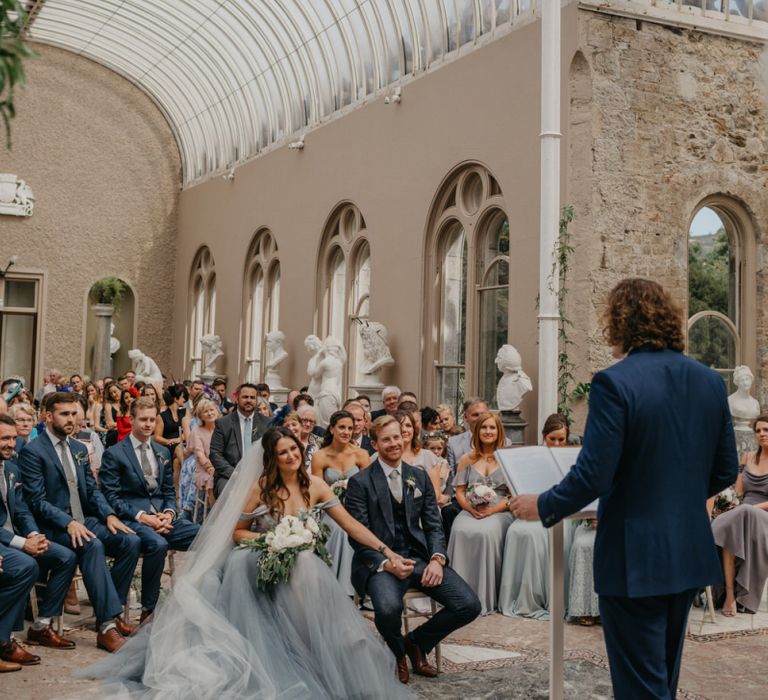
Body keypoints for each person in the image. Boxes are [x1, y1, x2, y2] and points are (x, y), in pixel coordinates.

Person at [510, 278, 738, 700]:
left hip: (635, 556)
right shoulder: (709, 382)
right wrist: (677, 494)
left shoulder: (614, 383)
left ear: (620, 323)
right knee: (662, 678)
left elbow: (593, 475)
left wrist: (541, 504)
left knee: (640, 687)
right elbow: (726, 468)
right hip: (687, 550)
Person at [81, 427, 412, 698]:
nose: (291, 456)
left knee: (308, 567)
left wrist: (387, 551)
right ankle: (285, 652)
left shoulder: (316, 486)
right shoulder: (262, 487)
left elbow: (351, 525)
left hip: (298, 561)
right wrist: (274, 540)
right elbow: (238, 533)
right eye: (283, 452)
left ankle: (315, 649)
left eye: (294, 450)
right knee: (298, 567)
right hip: (258, 557)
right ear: (273, 458)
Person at [346, 415, 481, 683]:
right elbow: (357, 536)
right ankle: (397, 652)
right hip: (380, 565)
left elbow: (433, 525)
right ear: (374, 443)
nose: (394, 443)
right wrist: (386, 563)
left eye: (397, 437)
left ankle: (416, 643)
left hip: (419, 558)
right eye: (386, 439)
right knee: (386, 610)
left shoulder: (418, 477)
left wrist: (437, 558)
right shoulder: (360, 483)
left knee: (468, 605)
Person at [19, 392, 140, 652]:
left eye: (74, 413)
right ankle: (107, 626)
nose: (71, 419)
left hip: (86, 520)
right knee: (92, 545)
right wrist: (67, 522)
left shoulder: (78, 448)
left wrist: (108, 515)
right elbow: (37, 501)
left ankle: (111, 613)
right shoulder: (33, 452)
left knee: (130, 541)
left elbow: (92, 490)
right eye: (64, 414)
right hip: (55, 526)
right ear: (48, 416)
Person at [99, 398, 200, 624]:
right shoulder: (115, 453)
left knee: (206, 534)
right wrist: (143, 517)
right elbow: (111, 497)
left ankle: (198, 599)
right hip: (133, 520)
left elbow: (169, 491)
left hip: (163, 519)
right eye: (143, 419)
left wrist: (169, 514)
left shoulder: (162, 451)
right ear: (131, 419)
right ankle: (149, 609)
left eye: (152, 419)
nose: (148, 424)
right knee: (158, 544)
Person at [0, 415, 78, 663]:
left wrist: (34, 535)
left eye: (13, 438)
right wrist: (23, 544)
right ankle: (4, 641)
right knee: (26, 566)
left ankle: (41, 626)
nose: (11, 444)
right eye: (4, 438)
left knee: (65, 556)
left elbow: (21, 509)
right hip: (6, 540)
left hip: (16, 537)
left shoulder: (11, 467)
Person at [498, 413, 574, 620]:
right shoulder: (533, 457)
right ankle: (517, 597)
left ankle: (550, 596)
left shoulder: (572, 459)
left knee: (540, 534)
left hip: (564, 513)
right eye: (552, 439)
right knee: (517, 531)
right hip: (534, 508)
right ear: (543, 436)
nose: (557, 444)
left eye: (561, 439)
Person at [447, 412, 514, 615]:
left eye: (492, 427)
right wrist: (470, 509)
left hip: (499, 510)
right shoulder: (467, 459)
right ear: (477, 431)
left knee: (485, 534)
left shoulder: (507, 459)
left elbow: (513, 495)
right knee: (459, 529)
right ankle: (458, 595)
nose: (488, 431)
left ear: (499, 431)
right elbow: (459, 491)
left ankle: (484, 597)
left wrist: (493, 509)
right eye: (484, 427)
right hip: (472, 509)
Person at [712, 414, 768, 615]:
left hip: (764, 515)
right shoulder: (747, 457)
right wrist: (730, 502)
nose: (761, 434)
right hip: (743, 513)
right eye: (758, 430)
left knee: (740, 514)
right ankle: (729, 596)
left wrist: (749, 509)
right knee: (730, 524)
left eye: (766, 430)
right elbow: (739, 492)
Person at [311, 410, 369, 594]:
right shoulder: (320, 456)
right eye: (342, 427)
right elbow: (317, 491)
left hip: (358, 509)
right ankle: (336, 589)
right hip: (330, 510)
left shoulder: (361, 455)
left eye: (350, 428)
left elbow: (369, 489)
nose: (346, 432)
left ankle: (354, 588)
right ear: (332, 429)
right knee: (338, 529)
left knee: (354, 527)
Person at [210, 383, 271, 497]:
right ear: (237, 399)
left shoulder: (266, 423)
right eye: (245, 397)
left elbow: (272, 453)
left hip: (259, 475)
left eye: (252, 397)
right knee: (228, 493)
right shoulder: (224, 423)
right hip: (230, 476)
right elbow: (215, 454)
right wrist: (235, 474)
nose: (249, 400)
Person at [188, 398, 219, 511]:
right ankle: (217, 515)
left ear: (217, 411)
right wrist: (210, 467)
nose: (210, 413)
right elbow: (200, 454)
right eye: (206, 411)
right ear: (201, 416)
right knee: (212, 479)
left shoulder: (222, 428)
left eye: (212, 410)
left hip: (221, 467)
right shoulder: (197, 431)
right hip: (204, 470)